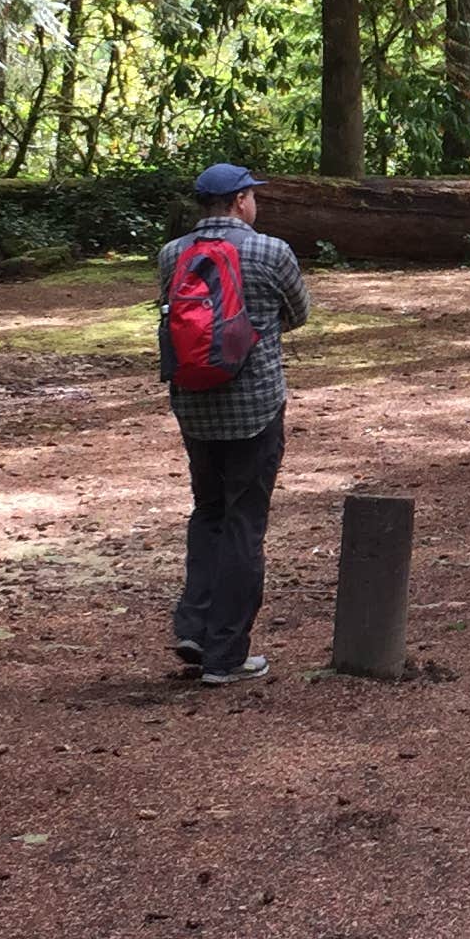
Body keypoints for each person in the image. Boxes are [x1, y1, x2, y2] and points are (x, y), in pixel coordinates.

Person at [157, 163, 310, 684]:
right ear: (241, 200)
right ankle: (226, 655)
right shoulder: (273, 251)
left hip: (195, 406)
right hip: (256, 408)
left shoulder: (172, 254)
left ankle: (195, 628)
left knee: (209, 513)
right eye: (253, 196)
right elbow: (300, 312)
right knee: (246, 523)